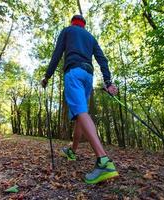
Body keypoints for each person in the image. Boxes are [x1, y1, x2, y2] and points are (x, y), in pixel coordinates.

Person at [41, 15, 119, 184]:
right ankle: (72, 151)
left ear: (72, 22)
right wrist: (108, 82)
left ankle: (103, 161)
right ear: (84, 25)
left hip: (74, 73)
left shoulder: (67, 31)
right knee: (79, 115)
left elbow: (56, 54)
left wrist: (47, 76)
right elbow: (102, 59)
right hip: (87, 76)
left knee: (81, 112)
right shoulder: (90, 37)